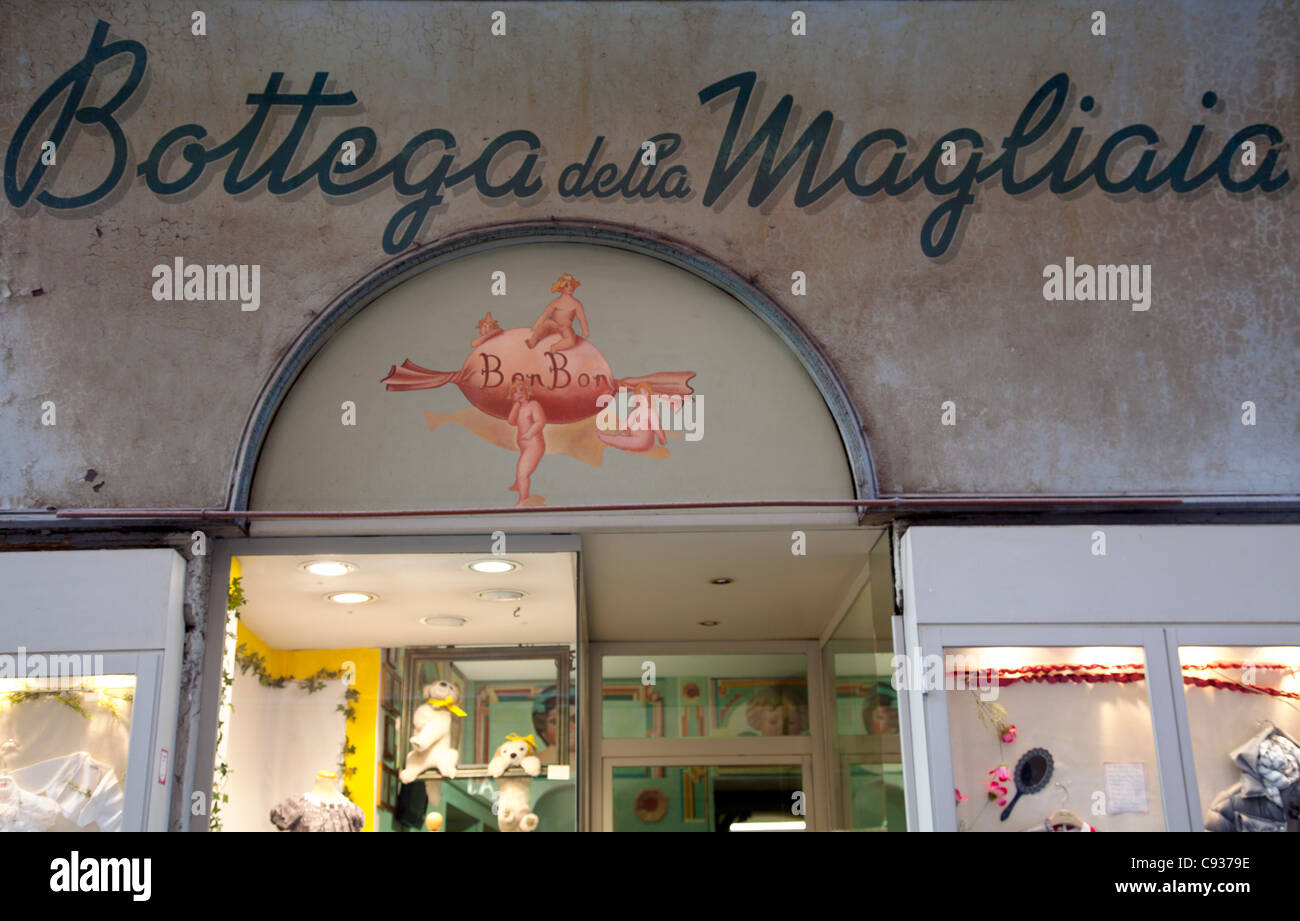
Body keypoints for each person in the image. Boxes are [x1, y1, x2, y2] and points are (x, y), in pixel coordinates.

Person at [596, 382, 669, 453]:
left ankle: (604, 437)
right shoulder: (635, 410)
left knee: (621, 440)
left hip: (643, 442)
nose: (641, 395)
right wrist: (618, 432)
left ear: (648, 395)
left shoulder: (650, 411)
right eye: (639, 393)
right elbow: (627, 423)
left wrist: (663, 441)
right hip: (633, 436)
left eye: (644, 392)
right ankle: (612, 437)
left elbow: (657, 429)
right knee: (622, 427)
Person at [525, 274, 588, 354]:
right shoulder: (556, 301)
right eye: (566, 285)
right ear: (561, 289)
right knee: (544, 325)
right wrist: (536, 324)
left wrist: (585, 330)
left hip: (565, 327)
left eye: (571, 285)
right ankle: (532, 342)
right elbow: (545, 314)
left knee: (571, 340)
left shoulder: (577, 304)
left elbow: (582, 319)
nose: (570, 287)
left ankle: (555, 347)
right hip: (552, 323)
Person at [507, 380, 546, 506]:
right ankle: (518, 484)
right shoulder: (519, 408)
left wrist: (529, 434)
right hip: (524, 446)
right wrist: (515, 407)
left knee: (522, 472)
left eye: (521, 390)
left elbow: (540, 422)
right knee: (522, 465)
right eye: (514, 392)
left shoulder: (533, 405)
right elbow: (511, 422)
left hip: (534, 445)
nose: (519, 394)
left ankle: (524, 499)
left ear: (528, 392)